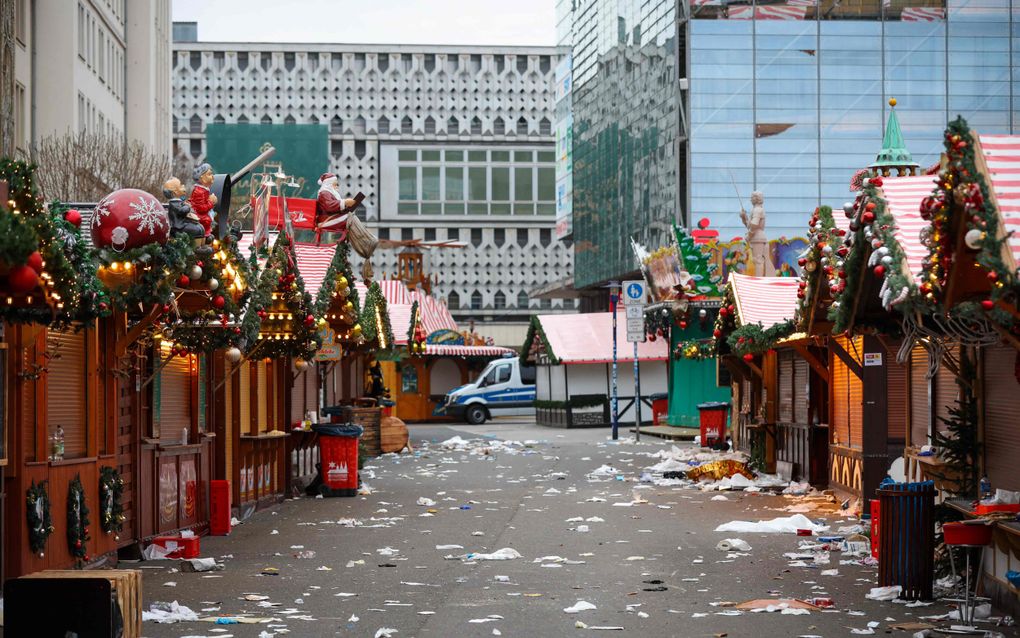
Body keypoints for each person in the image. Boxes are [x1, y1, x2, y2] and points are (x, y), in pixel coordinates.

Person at [163, 177, 206, 244]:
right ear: (175, 193)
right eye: (180, 186)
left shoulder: (179, 202)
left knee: (201, 227)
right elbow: (182, 211)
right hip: (177, 227)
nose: (183, 186)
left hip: (183, 224)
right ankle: (196, 248)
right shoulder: (174, 203)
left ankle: (201, 246)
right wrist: (187, 206)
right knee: (197, 229)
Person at [315, 173, 357, 238]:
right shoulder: (324, 193)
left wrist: (347, 206)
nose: (337, 186)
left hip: (331, 217)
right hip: (326, 219)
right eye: (335, 184)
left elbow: (334, 206)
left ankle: (362, 240)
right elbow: (329, 206)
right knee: (351, 219)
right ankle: (364, 240)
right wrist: (344, 202)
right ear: (329, 184)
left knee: (351, 217)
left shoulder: (329, 193)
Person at [189, 163, 218, 238]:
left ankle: (206, 237)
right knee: (206, 221)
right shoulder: (199, 191)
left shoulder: (203, 190)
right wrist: (211, 202)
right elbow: (201, 208)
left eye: (212, 174)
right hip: (199, 218)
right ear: (202, 178)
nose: (212, 176)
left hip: (203, 217)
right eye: (209, 174)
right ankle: (203, 239)